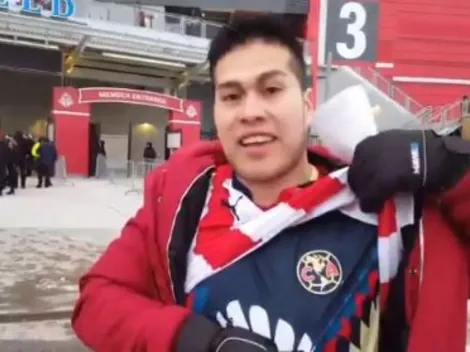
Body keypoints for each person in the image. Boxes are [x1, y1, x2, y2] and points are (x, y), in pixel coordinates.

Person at [72, 16, 470, 352]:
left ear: (308, 104)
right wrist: (193, 339)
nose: (250, 112)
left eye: (271, 89)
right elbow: (96, 302)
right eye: (231, 96)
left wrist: (453, 167)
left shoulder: (393, 210)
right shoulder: (179, 200)